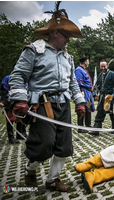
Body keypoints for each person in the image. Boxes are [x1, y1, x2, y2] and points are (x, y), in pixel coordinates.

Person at [8, 2, 86, 192]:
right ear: (56, 33)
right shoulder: (34, 50)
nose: (68, 40)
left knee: (64, 145)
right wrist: (19, 99)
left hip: (63, 104)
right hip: (42, 104)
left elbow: (72, 82)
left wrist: (80, 102)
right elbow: (18, 76)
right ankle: (30, 170)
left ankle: (53, 179)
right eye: (66, 36)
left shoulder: (68, 57)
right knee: (43, 144)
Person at [89, 60, 114, 136]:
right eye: (101, 66)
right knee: (100, 112)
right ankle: (96, 130)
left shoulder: (112, 74)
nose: (103, 68)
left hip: (109, 97)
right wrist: (96, 88)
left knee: (111, 113)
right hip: (102, 96)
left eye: (104, 66)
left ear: (107, 66)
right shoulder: (100, 75)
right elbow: (100, 85)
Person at [1, 74, 27, 143]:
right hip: (9, 100)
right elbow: (3, 89)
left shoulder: (24, 78)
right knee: (10, 118)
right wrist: (2, 101)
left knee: (20, 117)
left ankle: (19, 134)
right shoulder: (8, 77)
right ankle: (11, 138)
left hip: (21, 100)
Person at [75, 56, 95, 133]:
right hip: (83, 91)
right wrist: (80, 94)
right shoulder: (78, 70)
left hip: (88, 92)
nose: (88, 63)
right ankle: (80, 127)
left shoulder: (84, 70)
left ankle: (88, 124)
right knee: (82, 108)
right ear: (85, 62)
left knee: (88, 107)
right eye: (88, 61)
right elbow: (78, 83)